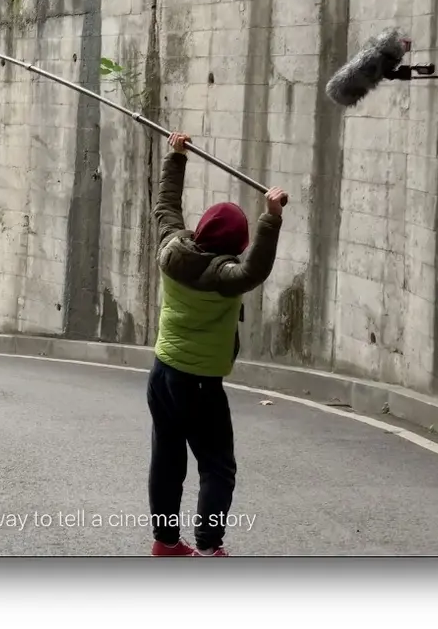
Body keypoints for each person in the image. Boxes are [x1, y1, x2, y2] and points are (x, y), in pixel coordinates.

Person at [146, 131, 287, 558]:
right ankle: (209, 547)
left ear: (201, 229)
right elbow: (252, 272)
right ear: (235, 246)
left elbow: (165, 207)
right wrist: (272, 217)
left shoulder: (172, 247)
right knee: (217, 468)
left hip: (162, 372)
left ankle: (166, 542)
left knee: (168, 458)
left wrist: (176, 157)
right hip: (199, 384)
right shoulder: (223, 277)